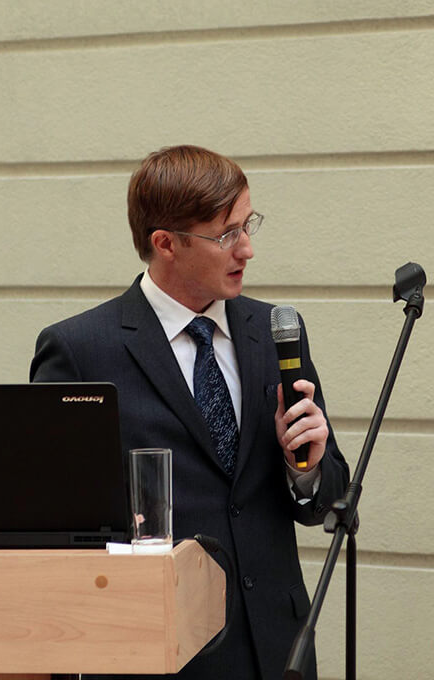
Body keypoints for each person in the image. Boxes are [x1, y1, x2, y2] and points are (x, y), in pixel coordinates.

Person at [30, 145, 349, 680]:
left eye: (248, 225)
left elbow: (325, 498)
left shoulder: (274, 331)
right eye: (227, 234)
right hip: (159, 651)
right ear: (165, 244)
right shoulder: (81, 350)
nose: (247, 249)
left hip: (278, 650)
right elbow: (53, 523)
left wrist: (307, 468)